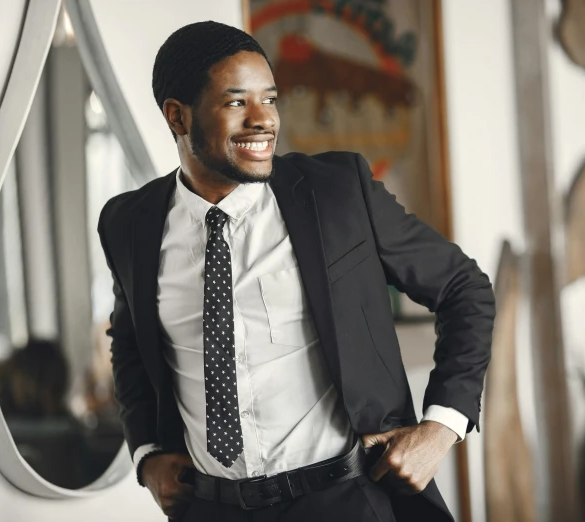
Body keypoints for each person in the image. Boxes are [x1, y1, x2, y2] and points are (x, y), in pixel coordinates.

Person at [97, 21, 494, 522]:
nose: (263, 120)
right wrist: (147, 452)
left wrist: (441, 427)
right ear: (178, 117)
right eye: (237, 102)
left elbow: (465, 288)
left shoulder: (338, 193)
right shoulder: (128, 222)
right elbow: (130, 344)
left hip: (344, 499)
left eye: (271, 98)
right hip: (211, 508)